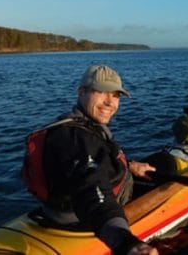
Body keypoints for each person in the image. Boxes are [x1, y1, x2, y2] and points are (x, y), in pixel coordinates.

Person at [32, 65, 158, 254]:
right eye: (101, 92)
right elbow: (92, 191)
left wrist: (129, 165)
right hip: (84, 216)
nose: (110, 102)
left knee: (153, 166)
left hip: (60, 209)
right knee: (167, 167)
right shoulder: (79, 139)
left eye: (116, 95)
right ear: (81, 92)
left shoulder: (73, 126)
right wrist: (127, 244)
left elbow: (89, 163)